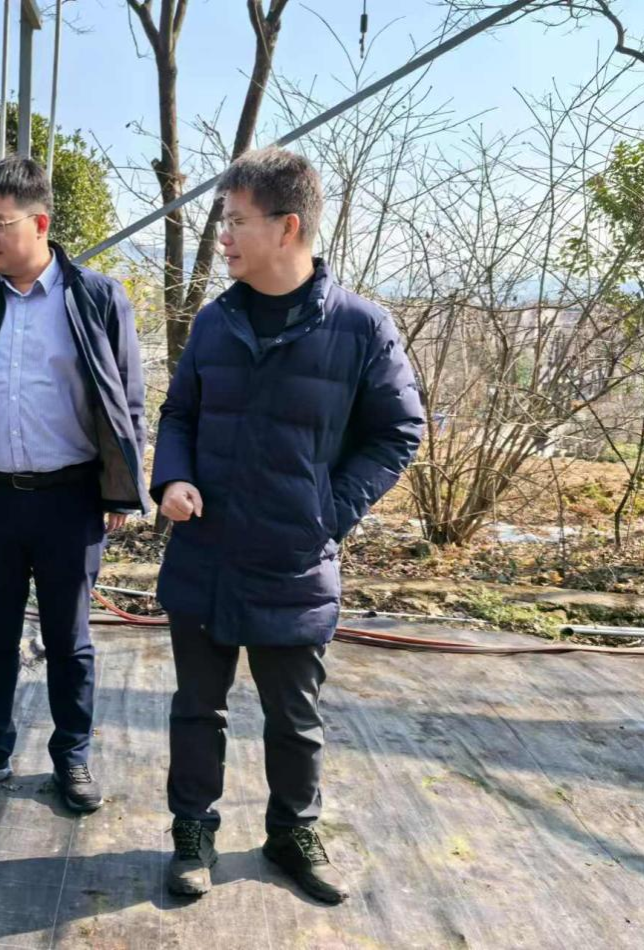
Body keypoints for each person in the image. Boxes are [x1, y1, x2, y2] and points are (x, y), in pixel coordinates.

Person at [151, 147, 424, 902]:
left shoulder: (361, 327)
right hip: (205, 555)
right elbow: (180, 413)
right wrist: (173, 477)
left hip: (294, 559)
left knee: (295, 719)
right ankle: (192, 832)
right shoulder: (215, 321)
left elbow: (398, 431)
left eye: (236, 221)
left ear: (288, 227)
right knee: (195, 710)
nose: (223, 237)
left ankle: (291, 834)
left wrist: (325, 514)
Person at [0, 157, 149, 812]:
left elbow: (128, 403)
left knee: (69, 640)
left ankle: (72, 757)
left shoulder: (97, 298)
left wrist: (120, 487)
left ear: (41, 223)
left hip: (71, 500)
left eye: (0, 224)